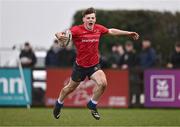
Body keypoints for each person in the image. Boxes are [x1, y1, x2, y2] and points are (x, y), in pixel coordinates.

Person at [53, 7, 139, 120]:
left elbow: (111, 31)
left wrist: (128, 33)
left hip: (94, 65)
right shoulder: (76, 30)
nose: (91, 20)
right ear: (83, 19)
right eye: (88, 18)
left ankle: (92, 104)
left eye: (92, 18)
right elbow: (61, 34)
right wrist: (59, 35)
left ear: (95, 19)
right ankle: (59, 104)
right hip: (80, 67)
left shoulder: (98, 28)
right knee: (69, 89)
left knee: (103, 83)